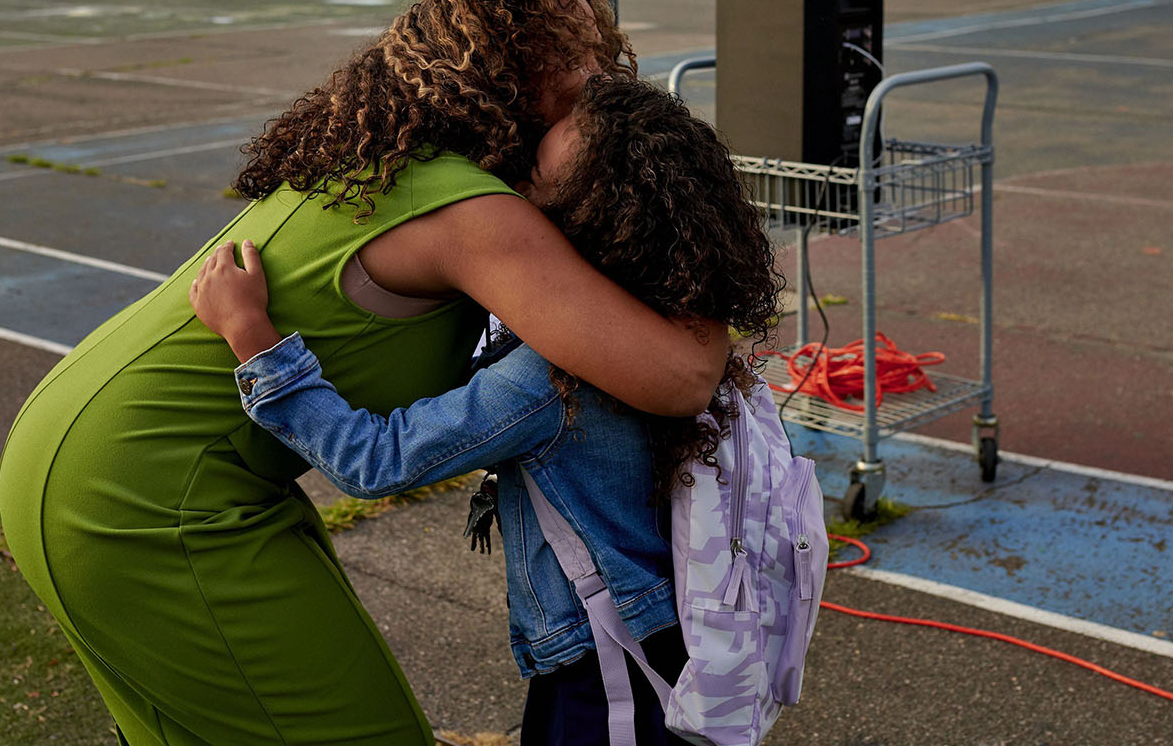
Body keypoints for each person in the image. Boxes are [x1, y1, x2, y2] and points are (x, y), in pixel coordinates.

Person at [0, 0, 729, 746]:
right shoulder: (479, 213)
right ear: (498, 70)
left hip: (102, 457)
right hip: (140, 496)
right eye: (572, 54)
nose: (597, 75)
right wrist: (712, 262)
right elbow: (681, 375)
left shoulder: (391, 160)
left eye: (598, 50)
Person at [189, 75, 779, 746]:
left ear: (597, 221)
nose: (515, 194)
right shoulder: (670, 315)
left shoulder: (550, 378)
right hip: (657, 629)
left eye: (537, 181)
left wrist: (254, 340)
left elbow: (374, 460)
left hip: (607, 659)